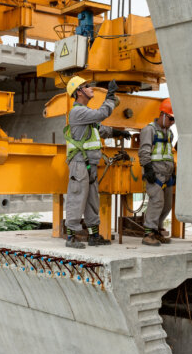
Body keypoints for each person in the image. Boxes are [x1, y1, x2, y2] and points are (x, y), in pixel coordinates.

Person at [63, 77, 130, 249]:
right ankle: (71, 237)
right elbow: (102, 114)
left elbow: (99, 128)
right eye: (87, 86)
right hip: (79, 163)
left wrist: (117, 133)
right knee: (77, 197)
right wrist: (110, 96)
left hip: (89, 163)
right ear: (79, 92)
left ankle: (94, 236)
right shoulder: (78, 112)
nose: (91, 88)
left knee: (92, 199)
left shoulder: (85, 113)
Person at [139, 98, 176, 246]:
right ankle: (148, 234)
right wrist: (148, 169)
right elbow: (144, 151)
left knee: (167, 204)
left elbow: (169, 152)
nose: (172, 122)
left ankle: (157, 231)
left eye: (174, 120)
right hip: (155, 174)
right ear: (163, 115)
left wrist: (173, 172)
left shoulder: (169, 133)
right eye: (171, 119)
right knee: (157, 202)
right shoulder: (149, 130)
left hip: (167, 174)